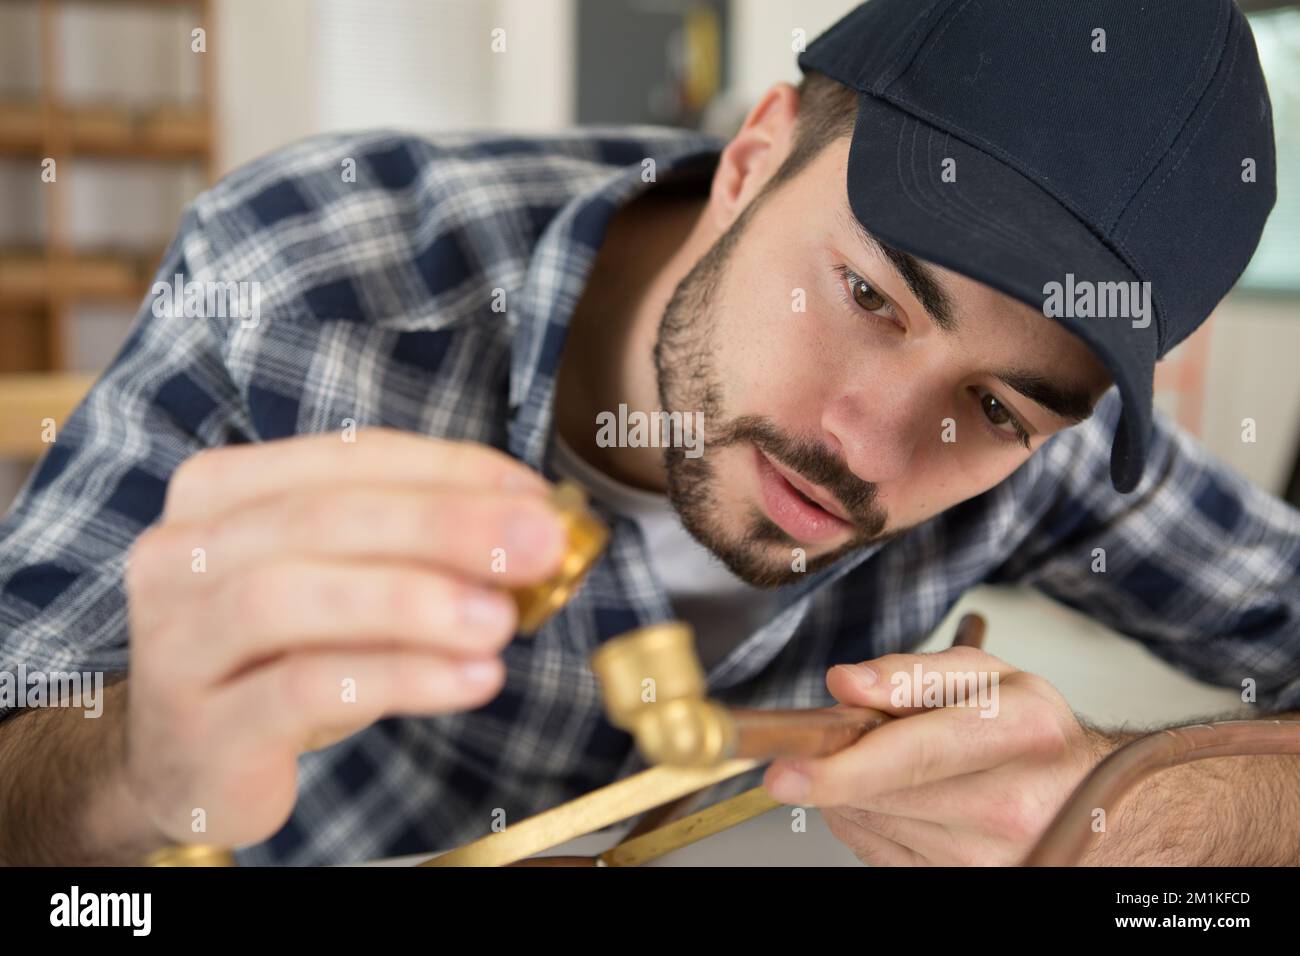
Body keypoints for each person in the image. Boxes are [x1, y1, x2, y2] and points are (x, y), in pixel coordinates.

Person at [1, 0, 1295, 866]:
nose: (871, 449)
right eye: (865, 296)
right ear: (752, 161)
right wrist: (128, 757)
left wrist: (1126, 807)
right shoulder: (310, 273)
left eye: (998, 406)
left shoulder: (1043, 460)